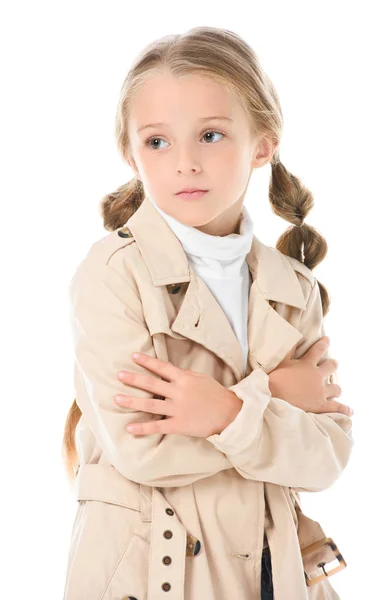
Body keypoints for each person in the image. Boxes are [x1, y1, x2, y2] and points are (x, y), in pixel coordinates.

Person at [61, 26, 354, 600]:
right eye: (158, 142)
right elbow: (144, 450)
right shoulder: (113, 274)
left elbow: (325, 459)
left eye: (212, 135)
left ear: (263, 145)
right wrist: (271, 394)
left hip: (273, 573)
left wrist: (219, 409)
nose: (186, 163)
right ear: (130, 153)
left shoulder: (291, 286)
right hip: (150, 574)